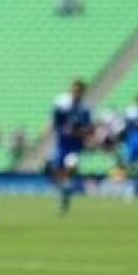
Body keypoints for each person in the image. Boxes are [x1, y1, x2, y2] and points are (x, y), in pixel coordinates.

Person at [51, 79, 93, 215]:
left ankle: (67, 187)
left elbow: (89, 128)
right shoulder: (62, 104)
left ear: (82, 92)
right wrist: (63, 129)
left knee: (71, 166)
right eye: (74, 91)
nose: (76, 93)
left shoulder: (84, 109)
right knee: (56, 170)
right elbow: (56, 122)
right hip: (62, 144)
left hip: (75, 146)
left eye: (78, 91)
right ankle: (64, 190)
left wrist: (79, 132)